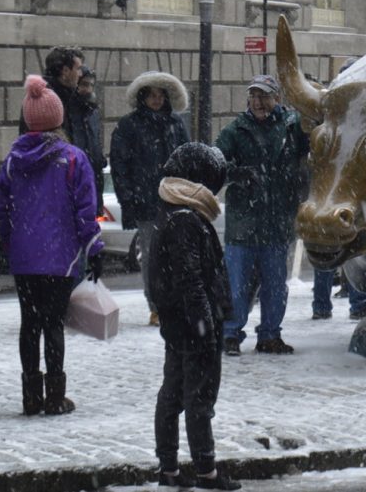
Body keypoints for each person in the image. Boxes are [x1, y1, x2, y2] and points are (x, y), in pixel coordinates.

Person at [0, 76, 104, 416]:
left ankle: (30, 395)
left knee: (29, 324)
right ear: (59, 119)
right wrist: (94, 248)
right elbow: (86, 210)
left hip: (24, 258)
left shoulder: (13, 160)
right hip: (61, 258)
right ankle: (56, 396)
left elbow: (4, 209)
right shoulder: (73, 158)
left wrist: (6, 246)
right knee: (53, 324)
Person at [149, 143, 241, 490]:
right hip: (193, 325)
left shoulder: (172, 210)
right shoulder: (187, 219)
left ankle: (169, 469)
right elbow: (191, 279)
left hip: (177, 323)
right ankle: (206, 471)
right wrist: (205, 325)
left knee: (173, 393)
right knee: (198, 398)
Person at [216, 75, 310, 355]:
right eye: (253, 96)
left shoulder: (292, 128)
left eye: (264, 96)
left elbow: (312, 153)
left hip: (278, 224)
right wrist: (238, 174)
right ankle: (230, 334)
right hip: (242, 226)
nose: (258, 102)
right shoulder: (235, 131)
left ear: (277, 99)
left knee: (275, 287)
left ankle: (270, 335)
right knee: (236, 286)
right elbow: (216, 164)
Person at [110, 71, 191, 326]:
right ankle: (156, 306)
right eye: (152, 95)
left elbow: (187, 158)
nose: (156, 100)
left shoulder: (175, 124)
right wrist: (129, 199)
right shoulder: (129, 125)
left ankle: (174, 301)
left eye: (160, 95)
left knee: (176, 256)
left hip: (174, 201)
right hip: (146, 203)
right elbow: (120, 165)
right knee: (153, 258)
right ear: (143, 97)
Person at [19, 46, 84, 137]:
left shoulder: (70, 95)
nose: (80, 74)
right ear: (65, 71)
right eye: (78, 69)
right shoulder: (42, 99)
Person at [76, 66, 107, 215]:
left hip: (92, 187)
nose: (88, 89)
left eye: (90, 85)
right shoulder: (69, 112)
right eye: (83, 84)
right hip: (76, 187)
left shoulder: (93, 113)